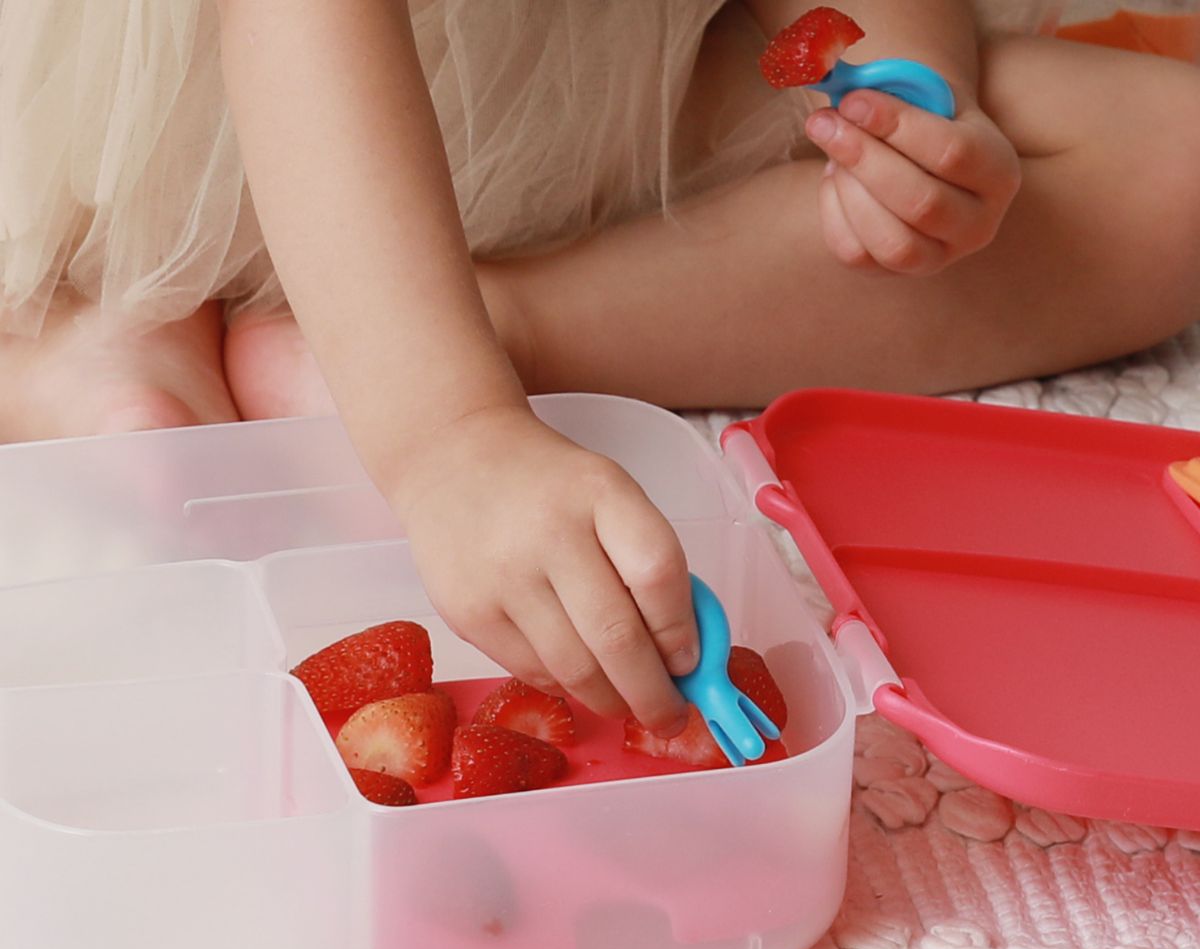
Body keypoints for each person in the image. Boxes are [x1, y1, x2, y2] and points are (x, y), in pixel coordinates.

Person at [2, 0, 1198, 741]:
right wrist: (450, 433)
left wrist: (900, 109)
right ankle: (102, 311)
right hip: (230, 83)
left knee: (1174, 162)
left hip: (587, 78)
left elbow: (867, 47)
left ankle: (474, 320)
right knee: (64, 200)